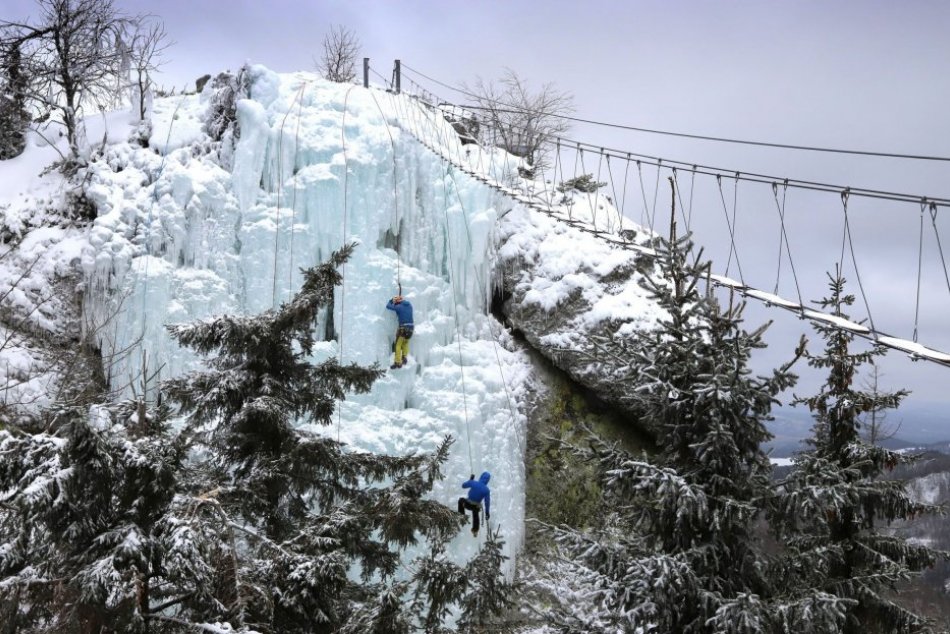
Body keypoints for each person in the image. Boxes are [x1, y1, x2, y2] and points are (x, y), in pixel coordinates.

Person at [458, 471, 491, 536]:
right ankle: (475, 530)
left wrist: (470, 480)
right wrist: (487, 513)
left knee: (460, 500)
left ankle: (462, 517)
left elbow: (463, 486)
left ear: (481, 477)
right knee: (475, 514)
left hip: (467, 504)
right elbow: (487, 502)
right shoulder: (487, 490)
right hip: (475, 507)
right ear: (488, 480)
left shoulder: (473, 483)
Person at [385, 295, 414, 369]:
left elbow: (388, 306)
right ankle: (404, 357)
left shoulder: (398, 307)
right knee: (405, 342)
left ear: (398, 302)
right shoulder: (409, 305)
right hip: (411, 328)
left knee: (398, 345)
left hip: (403, 328)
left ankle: (398, 362)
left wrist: (391, 300)